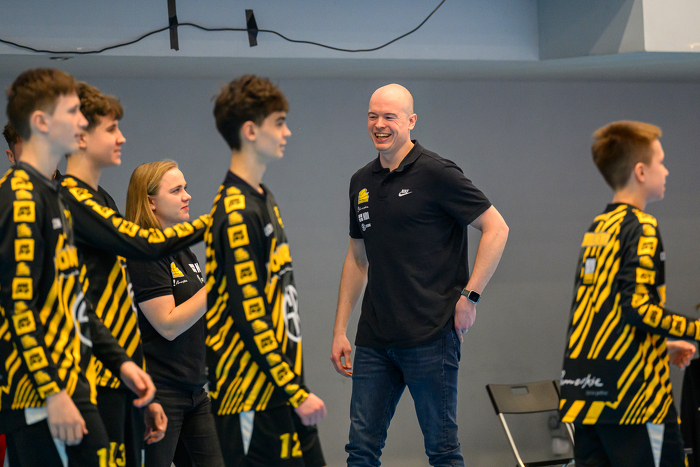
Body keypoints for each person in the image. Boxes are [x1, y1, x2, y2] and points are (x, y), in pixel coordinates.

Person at [330, 83, 509, 466]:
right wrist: (340, 329)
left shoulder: (437, 173)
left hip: (431, 336)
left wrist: (470, 296)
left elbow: (497, 228)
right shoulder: (361, 181)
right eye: (373, 116)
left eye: (389, 116)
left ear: (411, 121)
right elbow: (358, 257)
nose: (379, 124)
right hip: (375, 340)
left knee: (442, 451)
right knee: (360, 452)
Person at [0, 68, 157, 466]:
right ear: (41, 122)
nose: (81, 122)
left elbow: (75, 303)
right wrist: (52, 393)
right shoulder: (20, 196)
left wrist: (121, 363)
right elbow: (17, 306)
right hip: (39, 395)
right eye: (72, 112)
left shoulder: (51, 195)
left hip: (73, 382)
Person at [559, 120, 698, 467]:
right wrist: (695, 328)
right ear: (641, 171)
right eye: (661, 161)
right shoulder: (643, 227)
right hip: (636, 399)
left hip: (586, 392)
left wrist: (660, 345)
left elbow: (600, 312)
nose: (666, 170)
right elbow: (636, 307)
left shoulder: (599, 226)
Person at [205, 74, 327, 466]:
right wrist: (295, 390)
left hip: (281, 390)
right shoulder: (237, 211)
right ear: (250, 131)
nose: (287, 132)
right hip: (249, 397)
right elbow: (250, 315)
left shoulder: (262, 197)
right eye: (279, 122)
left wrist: (293, 387)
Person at [62, 82, 167, 466]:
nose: (121, 138)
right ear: (81, 136)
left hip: (118, 378)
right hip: (90, 381)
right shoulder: (67, 200)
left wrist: (139, 381)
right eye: (111, 129)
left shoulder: (102, 199)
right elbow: (144, 245)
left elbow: (120, 300)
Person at [125, 160, 225, 467]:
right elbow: (167, 324)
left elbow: (196, 312)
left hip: (194, 390)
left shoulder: (181, 249)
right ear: (151, 201)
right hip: (160, 393)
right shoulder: (144, 252)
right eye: (176, 190)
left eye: (186, 188)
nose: (187, 196)